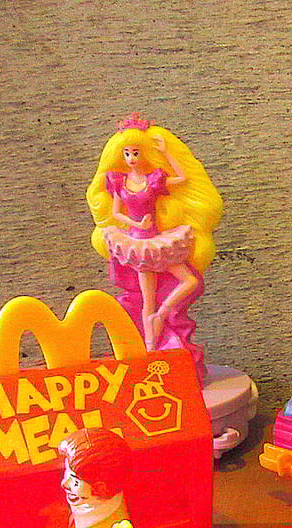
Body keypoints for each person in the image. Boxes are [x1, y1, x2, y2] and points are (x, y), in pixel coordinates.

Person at [86, 114, 223, 357]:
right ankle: (150, 349)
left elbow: (182, 178)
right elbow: (116, 213)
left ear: (144, 154)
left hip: (157, 242)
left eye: (135, 153)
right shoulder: (119, 182)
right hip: (138, 245)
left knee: (190, 281)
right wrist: (135, 222)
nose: (131, 158)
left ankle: (164, 312)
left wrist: (166, 152)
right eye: (127, 154)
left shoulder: (154, 180)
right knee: (147, 300)